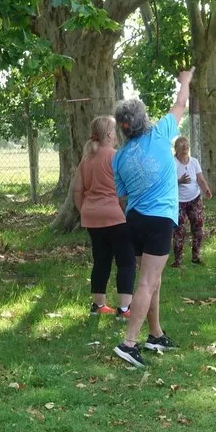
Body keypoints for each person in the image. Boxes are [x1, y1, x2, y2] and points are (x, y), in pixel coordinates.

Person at [112, 67, 194, 368]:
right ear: (143, 119)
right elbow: (180, 104)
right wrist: (184, 80)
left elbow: (121, 196)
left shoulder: (119, 157)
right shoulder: (160, 134)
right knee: (147, 282)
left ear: (123, 127)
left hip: (134, 221)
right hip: (159, 221)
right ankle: (129, 342)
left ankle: (155, 335)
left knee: (153, 281)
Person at [72, 116, 136, 320]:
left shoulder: (86, 159)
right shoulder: (116, 156)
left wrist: (86, 210)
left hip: (91, 216)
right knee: (126, 261)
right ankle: (124, 309)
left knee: (101, 260)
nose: (117, 133)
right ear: (109, 134)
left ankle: (98, 305)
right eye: (115, 130)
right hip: (115, 216)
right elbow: (125, 191)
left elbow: (77, 190)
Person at [171, 136, 213, 268]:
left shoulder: (194, 162)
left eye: (187, 146)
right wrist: (179, 181)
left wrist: (206, 189)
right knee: (179, 231)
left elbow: (200, 179)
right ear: (176, 149)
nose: (185, 148)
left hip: (194, 199)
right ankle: (178, 260)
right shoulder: (171, 163)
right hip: (178, 202)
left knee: (199, 229)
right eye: (182, 146)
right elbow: (166, 184)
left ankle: (196, 257)